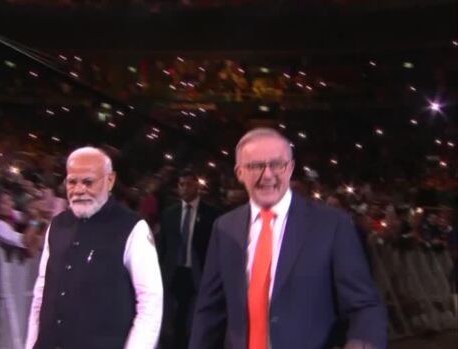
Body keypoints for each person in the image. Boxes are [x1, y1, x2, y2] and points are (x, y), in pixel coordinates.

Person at [189, 128, 387, 349]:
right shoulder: (224, 227)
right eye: (255, 166)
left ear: (290, 168)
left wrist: (361, 343)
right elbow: (209, 311)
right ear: (239, 173)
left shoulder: (332, 225)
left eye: (277, 164)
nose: (268, 175)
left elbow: (364, 306)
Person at [25, 147, 163, 349]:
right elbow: (42, 291)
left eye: (88, 182)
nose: (79, 189)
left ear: (110, 181)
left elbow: (150, 301)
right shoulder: (56, 226)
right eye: (72, 182)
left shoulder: (132, 227)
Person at [158, 169, 219, 349]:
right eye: (181, 184)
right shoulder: (170, 213)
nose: (184, 188)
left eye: (189, 184)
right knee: (175, 315)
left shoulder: (211, 214)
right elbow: (163, 246)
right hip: (175, 271)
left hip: (198, 272)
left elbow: (213, 247)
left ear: (197, 187)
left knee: (194, 315)